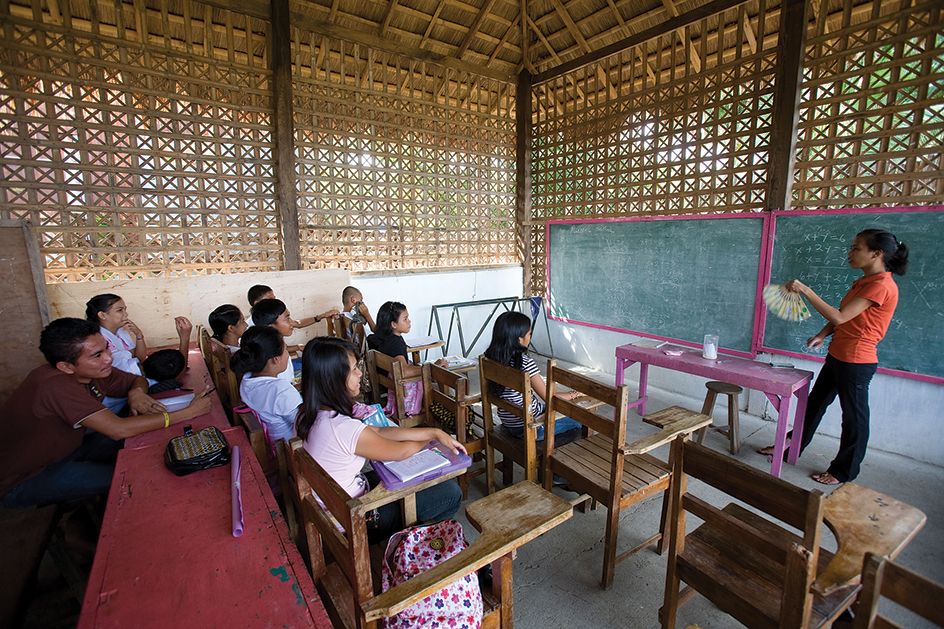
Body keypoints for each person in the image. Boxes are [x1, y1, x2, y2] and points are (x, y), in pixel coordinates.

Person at [0, 318, 213, 508]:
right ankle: (79, 531)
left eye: (106, 349)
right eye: (97, 355)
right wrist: (188, 412)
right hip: (25, 477)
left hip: (71, 449)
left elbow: (136, 379)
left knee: (153, 449)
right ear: (66, 366)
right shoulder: (54, 385)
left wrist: (136, 392)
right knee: (133, 477)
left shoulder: (94, 371)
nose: (109, 359)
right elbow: (116, 430)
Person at [758, 229, 908, 485]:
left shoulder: (882, 285)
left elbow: (839, 317)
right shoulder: (864, 281)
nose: (850, 254)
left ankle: (843, 471)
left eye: (856, 249)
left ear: (876, 253)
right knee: (814, 406)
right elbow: (845, 315)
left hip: (857, 362)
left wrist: (805, 290)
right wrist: (822, 334)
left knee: (854, 418)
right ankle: (790, 448)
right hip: (839, 354)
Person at [295, 337, 464, 541]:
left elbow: (378, 432)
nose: (360, 373)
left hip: (340, 505)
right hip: (357, 518)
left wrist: (433, 433)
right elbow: (401, 452)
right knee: (451, 492)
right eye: (354, 369)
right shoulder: (342, 428)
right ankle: (417, 548)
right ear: (334, 379)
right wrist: (431, 442)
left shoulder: (307, 414)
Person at [484, 311, 583, 443]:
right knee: (580, 420)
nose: (530, 337)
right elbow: (550, 397)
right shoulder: (525, 364)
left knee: (561, 410)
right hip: (530, 427)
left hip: (509, 422)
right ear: (520, 339)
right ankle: (559, 459)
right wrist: (576, 394)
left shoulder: (489, 359)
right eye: (529, 334)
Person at [368, 301, 447, 417]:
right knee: (439, 375)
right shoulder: (395, 343)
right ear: (393, 324)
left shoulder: (380, 337)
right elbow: (403, 371)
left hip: (387, 383)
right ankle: (435, 411)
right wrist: (431, 367)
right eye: (405, 319)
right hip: (398, 385)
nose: (409, 321)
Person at [85, 293, 192, 377]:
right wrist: (185, 337)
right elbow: (133, 363)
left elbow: (139, 357)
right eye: (120, 310)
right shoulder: (99, 339)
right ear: (102, 315)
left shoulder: (121, 331)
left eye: (125, 309)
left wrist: (139, 335)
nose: (125, 314)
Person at [231, 326, 301, 445]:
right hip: (290, 450)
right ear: (276, 359)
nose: (287, 354)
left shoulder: (247, 380)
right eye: (285, 350)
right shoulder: (281, 391)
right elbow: (306, 425)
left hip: (272, 445)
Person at [247, 284, 339, 331]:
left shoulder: (277, 317)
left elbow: (297, 323)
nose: (274, 302)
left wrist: (321, 316)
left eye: (274, 299)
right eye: (269, 300)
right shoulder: (251, 327)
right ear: (256, 303)